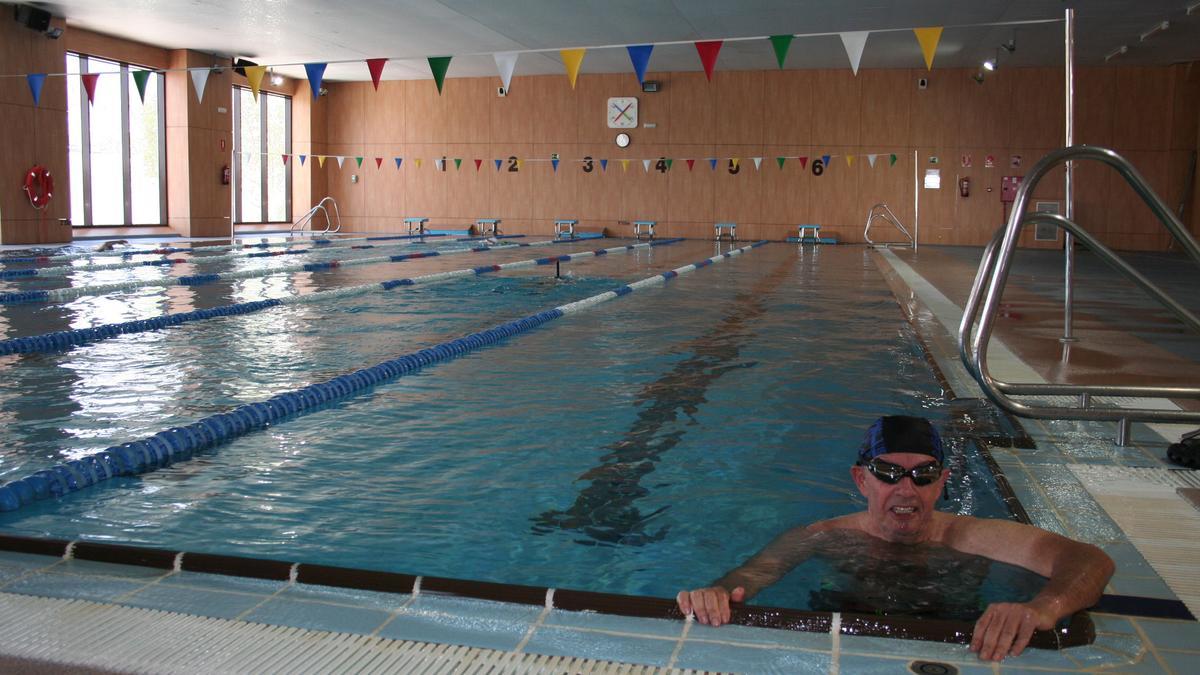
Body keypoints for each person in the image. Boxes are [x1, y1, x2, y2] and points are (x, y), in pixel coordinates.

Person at [676, 415, 1115, 662]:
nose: (906, 490)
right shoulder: (823, 537)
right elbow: (753, 574)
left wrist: (1043, 608)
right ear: (860, 479)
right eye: (888, 474)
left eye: (922, 476)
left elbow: (1089, 561)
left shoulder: (972, 537)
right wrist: (715, 594)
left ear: (941, 483)